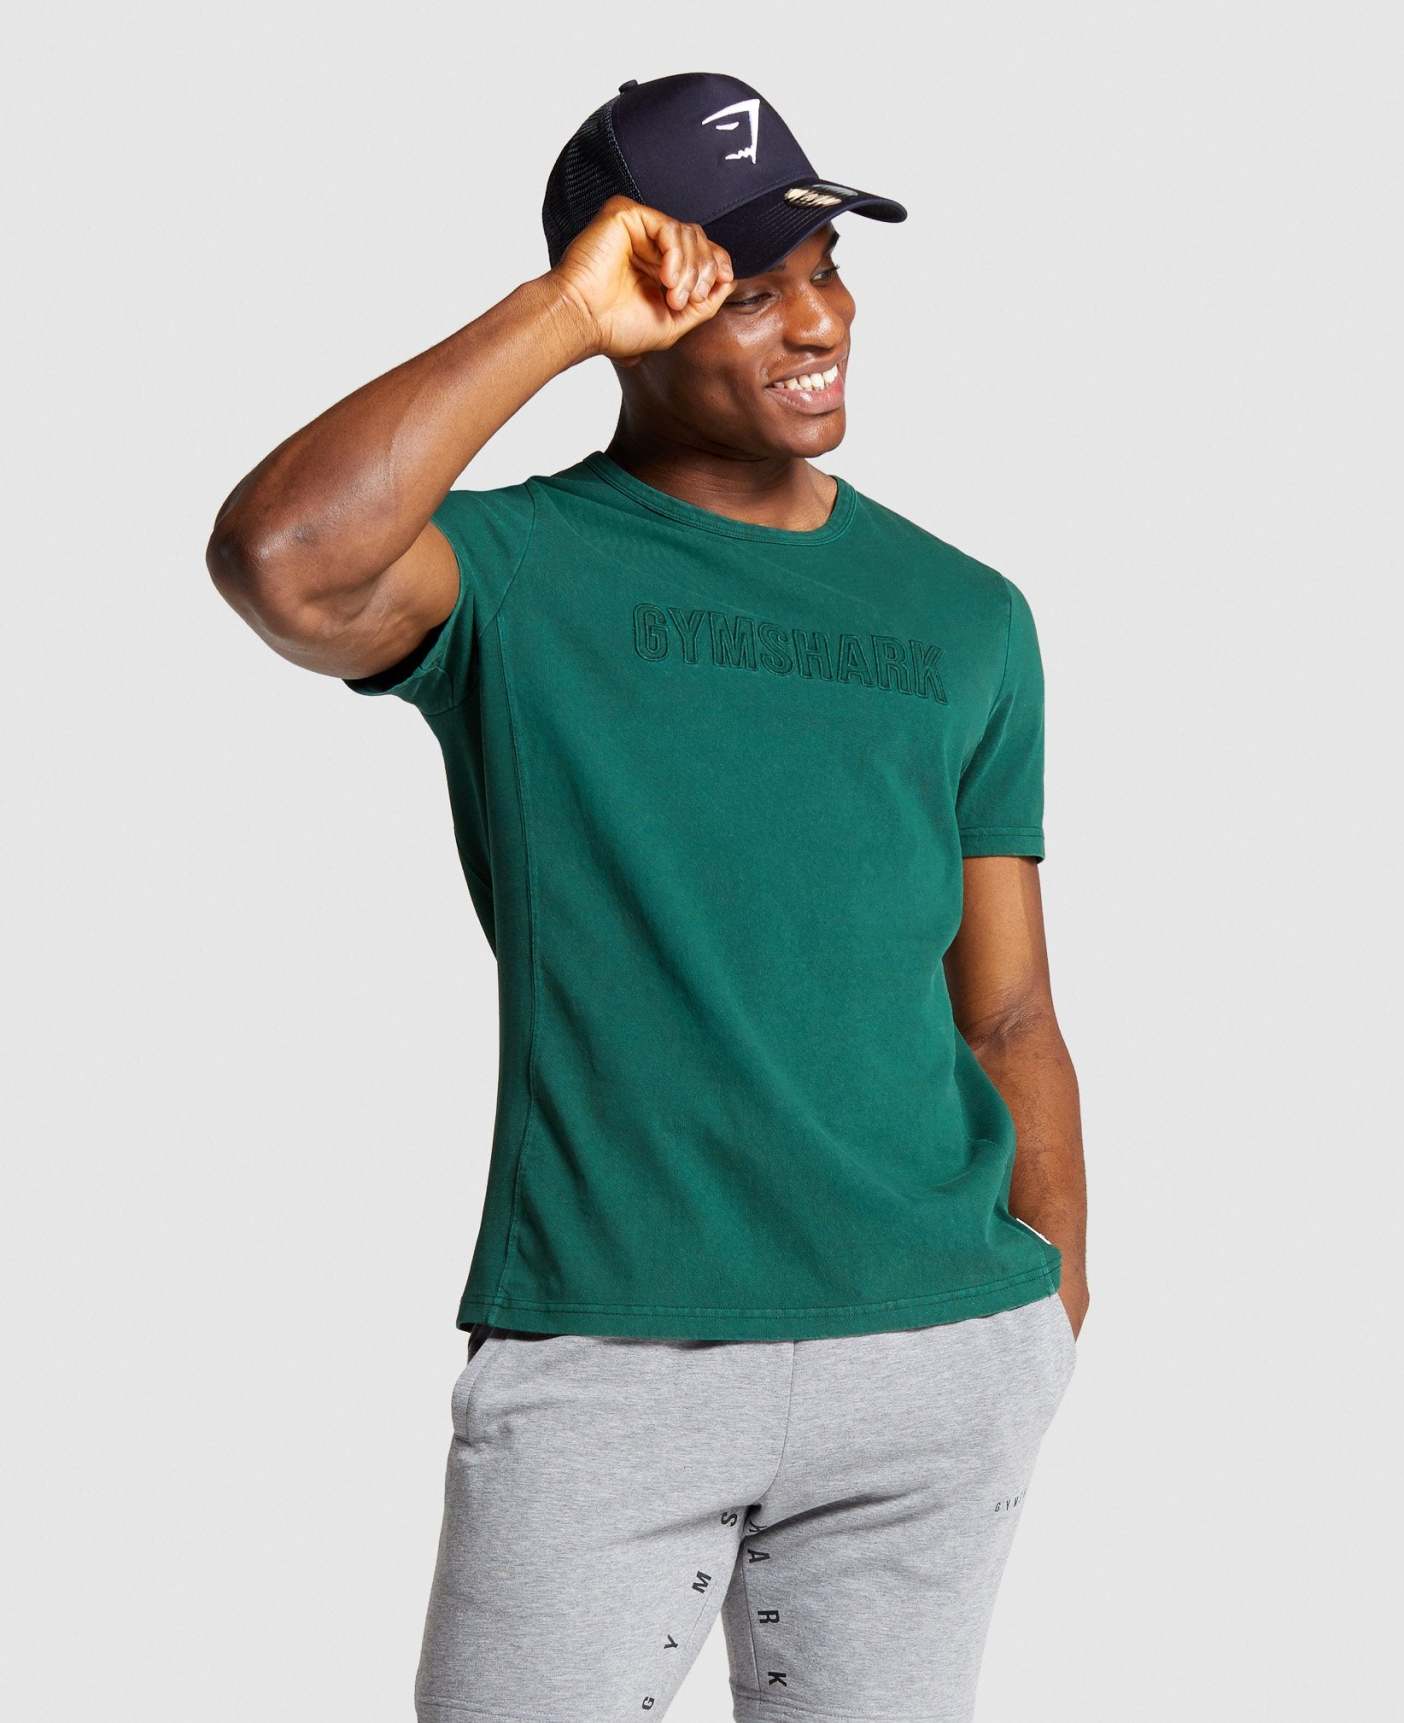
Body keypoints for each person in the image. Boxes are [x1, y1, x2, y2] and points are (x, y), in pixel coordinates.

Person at [208, 69, 1089, 1723]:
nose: (816, 321)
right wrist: (559, 314)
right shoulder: (512, 573)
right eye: (748, 292)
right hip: (612, 1356)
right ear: (636, 310)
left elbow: (1010, 1008)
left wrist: (1046, 1296)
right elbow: (283, 560)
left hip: (935, 1355)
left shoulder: (966, 613)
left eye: (825, 270)